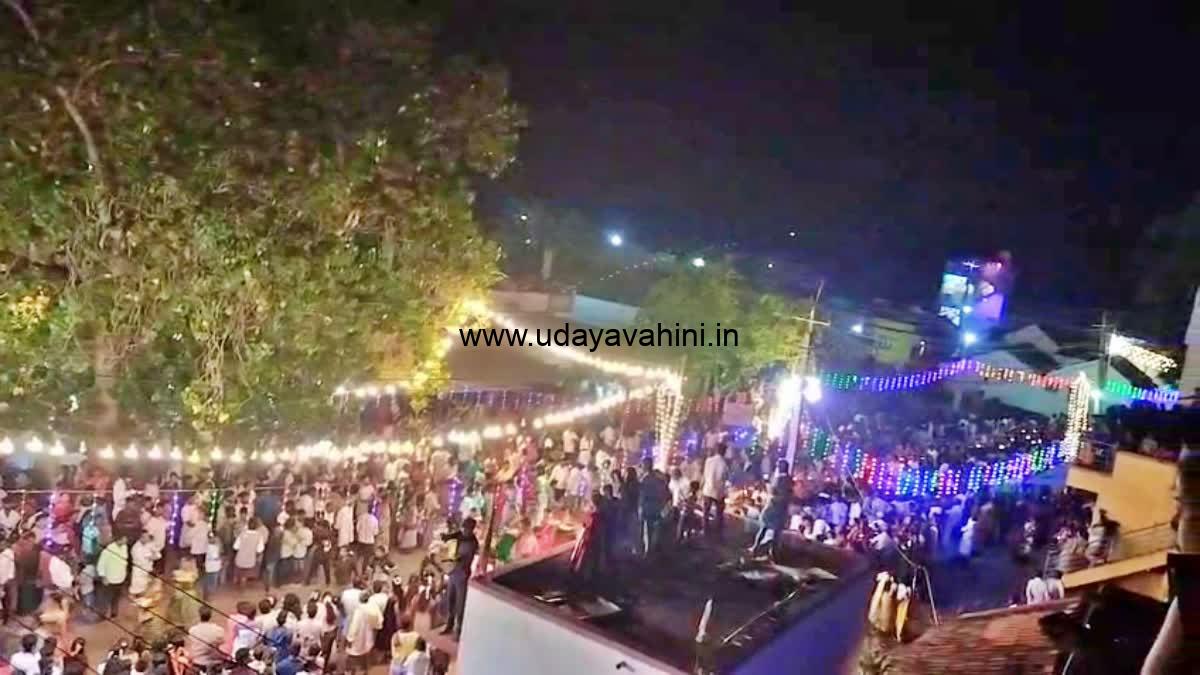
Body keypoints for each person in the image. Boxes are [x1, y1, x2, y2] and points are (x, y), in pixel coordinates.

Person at [439, 517, 479, 638]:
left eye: (466, 528)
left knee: (460, 604)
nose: (464, 530)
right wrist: (446, 537)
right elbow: (452, 536)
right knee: (450, 599)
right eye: (464, 528)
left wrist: (456, 558)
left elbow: (467, 557)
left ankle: (459, 629)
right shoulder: (461, 535)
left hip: (462, 574)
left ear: (471, 529)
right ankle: (449, 625)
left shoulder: (473, 542)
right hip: (454, 571)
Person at [344, 590, 383, 675]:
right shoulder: (373, 607)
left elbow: (354, 626)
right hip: (368, 636)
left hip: (359, 638)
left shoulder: (359, 610)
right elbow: (379, 621)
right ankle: (365, 671)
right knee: (366, 657)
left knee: (354, 658)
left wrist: (350, 638)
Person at [97, 534, 130, 618]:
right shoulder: (108, 550)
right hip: (110, 579)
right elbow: (101, 564)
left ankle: (114, 612)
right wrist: (103, 577)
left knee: (116, 597)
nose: (126, 541)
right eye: (124, 539)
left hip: (120, 578)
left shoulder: (125, 547)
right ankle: (103, 613)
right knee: (106, 598)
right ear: (119, 539)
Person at [701, 445, 729, 536]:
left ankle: (705, 530)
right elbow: (724, 477)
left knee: (706, 512)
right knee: (719, 513)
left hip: (707, 489)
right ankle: (718, 532)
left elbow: (705, 475)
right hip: (718, 491)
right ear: (724, 452)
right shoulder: (724, 464)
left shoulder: (708, 460)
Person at [233, 518, 265, 586]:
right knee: (244, 577)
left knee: (236, 575)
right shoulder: (259, 536)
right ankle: (242, 589)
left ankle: (233, 589)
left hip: (239, 558)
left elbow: (235, 547)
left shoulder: (242, 534)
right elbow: (260, 549)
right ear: (256, 526)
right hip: (250, 560)